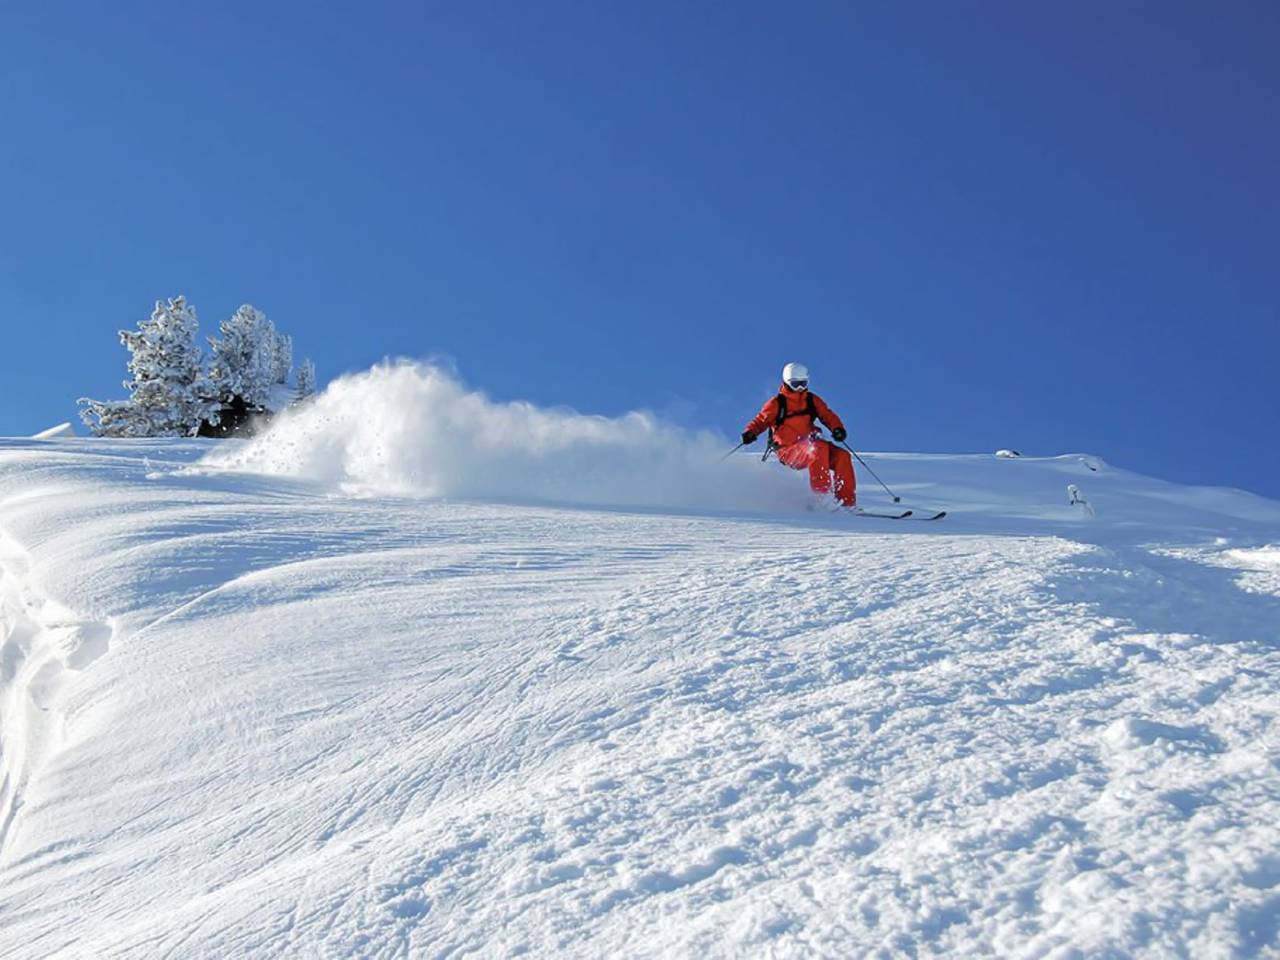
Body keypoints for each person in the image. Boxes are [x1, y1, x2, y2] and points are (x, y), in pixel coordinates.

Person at [741, 362, 857, 508]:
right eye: (796, 384)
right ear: (787, 382)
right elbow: (761, 420)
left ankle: (847, 503)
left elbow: (827, 415)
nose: (800, 388)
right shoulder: (777, 403)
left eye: (803, 383)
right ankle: (821, 500)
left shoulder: (811, 400)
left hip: (811, 444)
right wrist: (750, 432)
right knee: (817, 448)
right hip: (788, 450)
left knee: (842, 456)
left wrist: (837, 428)